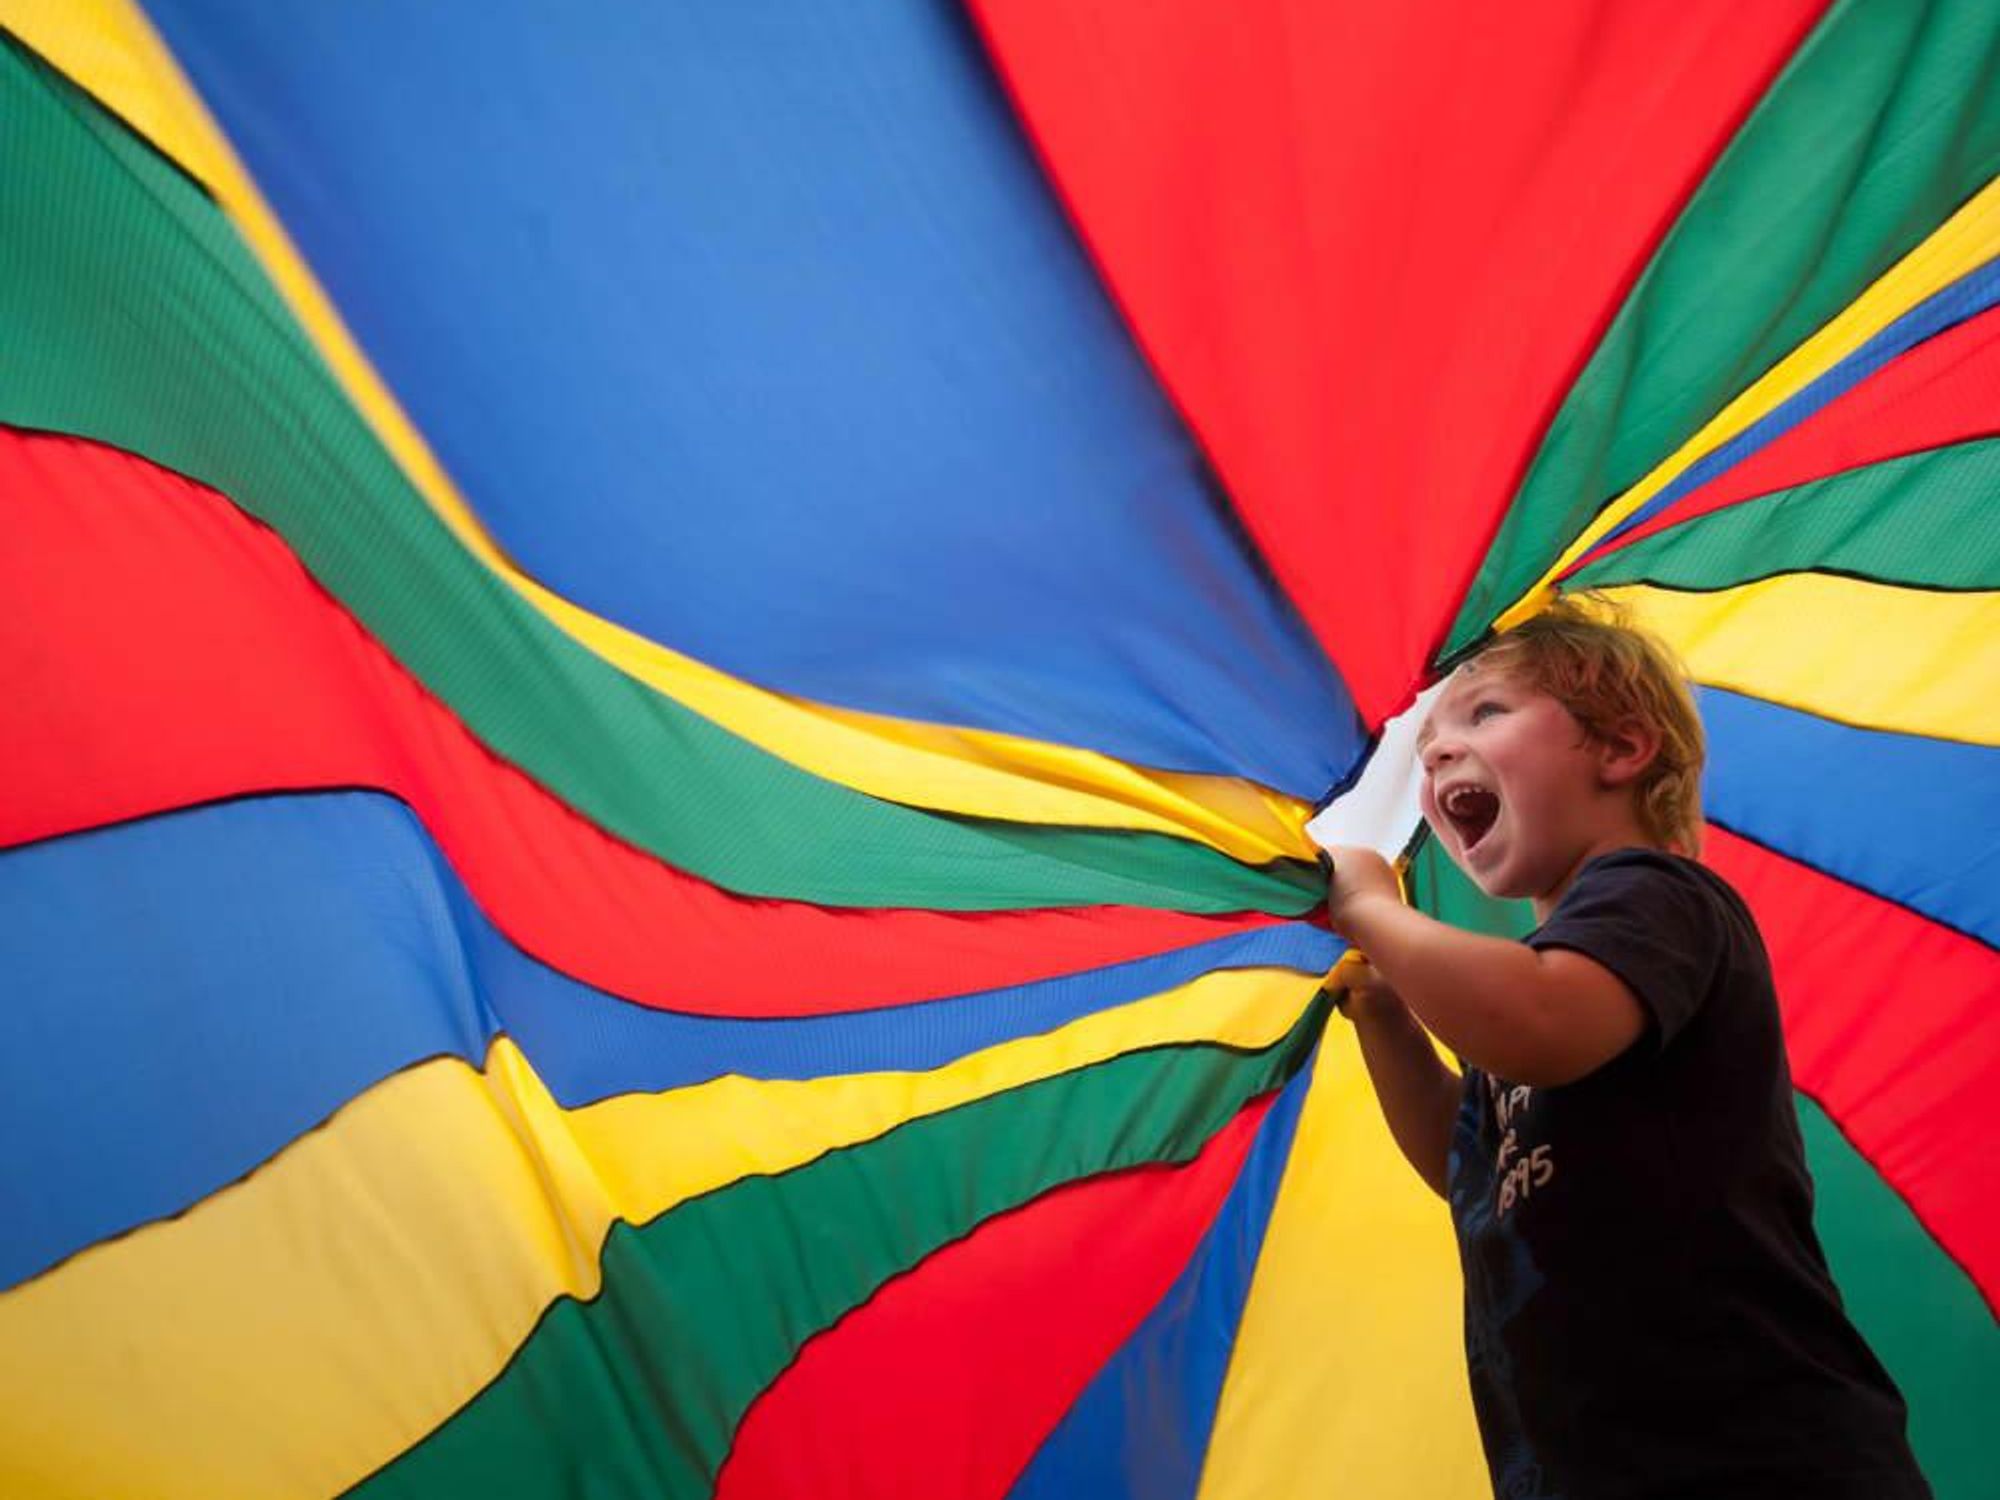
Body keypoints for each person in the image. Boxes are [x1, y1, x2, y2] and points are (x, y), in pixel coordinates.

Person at [1322, 595, 1929, 1500]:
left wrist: (1372, 904)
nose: (1440, 748)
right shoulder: (1529, 1000)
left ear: (1620, 748)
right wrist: (1383, 1012)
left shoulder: (1657, 899)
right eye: (1426, 747)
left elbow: (1531, 1025)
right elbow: (1470, 1163)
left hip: (1763, 1458)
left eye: (1485, 712)